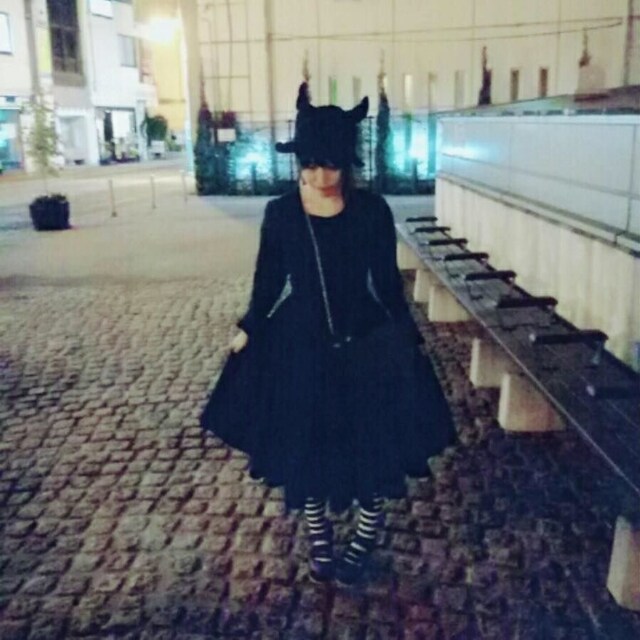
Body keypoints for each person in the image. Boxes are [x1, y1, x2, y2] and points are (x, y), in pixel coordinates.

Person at [200, 83, 455, 585]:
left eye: (331, 165)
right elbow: (268, 280)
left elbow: (386, 283)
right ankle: (319, 537)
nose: (321, 177)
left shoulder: (373, 211)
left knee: (373, 445)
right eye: (311, 165)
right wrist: (250, 326)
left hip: (365, 341)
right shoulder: (281, 213)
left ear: (347, 163)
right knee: (307, 446)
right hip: (298, 343)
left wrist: (407, 334)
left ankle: (363, 538)